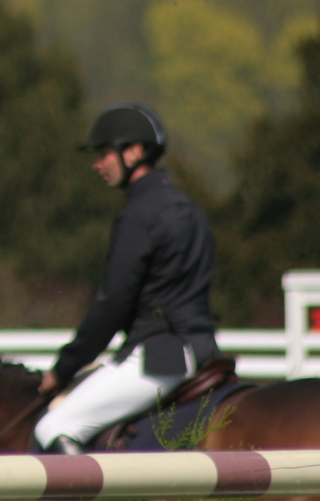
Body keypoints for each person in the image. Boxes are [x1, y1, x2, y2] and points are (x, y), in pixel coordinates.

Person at [31, 104, 219, 454]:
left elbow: (113, 304)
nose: (97, 164)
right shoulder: (191, 211)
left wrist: (64, 368)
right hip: (204, 347)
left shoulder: (139, 215)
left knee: (52, 428)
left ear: (134, 151)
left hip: (160, 353)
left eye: (104, 154)